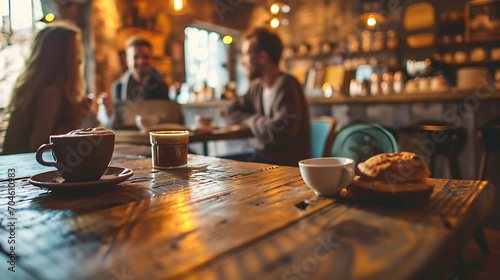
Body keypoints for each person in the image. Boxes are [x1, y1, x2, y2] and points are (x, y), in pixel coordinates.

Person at [2, 21, 98, 155]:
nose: (80, 61)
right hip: (20, 172)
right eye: (75, 53)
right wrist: (79, 114)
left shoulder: (41, 91)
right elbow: (39, 147)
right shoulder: (51, 94)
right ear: (61, 59)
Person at [225, 28, 311, 166]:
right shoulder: (257, 88)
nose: (242, 62)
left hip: (283, 166)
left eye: (246, 54)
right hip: (262, 158)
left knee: (224, 170)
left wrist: (251, 120)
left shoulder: (288, 85)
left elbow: (280, 133)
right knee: (218, 165)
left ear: (262, 57)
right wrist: (254, 121)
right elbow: (229, 112)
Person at [112, 37, 169, 101]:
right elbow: (119, 110)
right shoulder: (119, 87)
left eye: (145, 56)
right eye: (135, 57)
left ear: (151, 59)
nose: (141, 61)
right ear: (127, 61)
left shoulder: (162, 87)